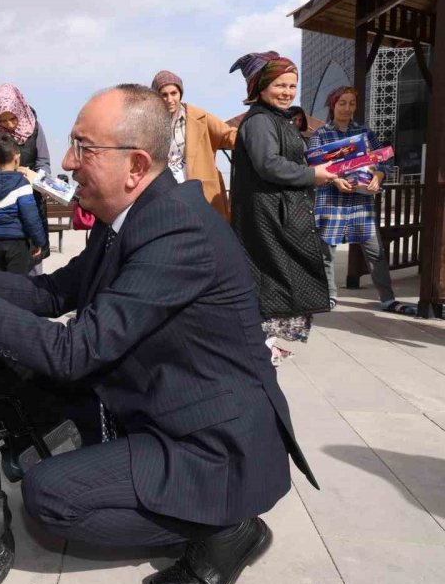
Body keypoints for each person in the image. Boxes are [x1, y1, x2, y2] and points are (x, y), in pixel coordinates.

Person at [0, 84, 318, 584]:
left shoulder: (177, 231)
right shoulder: (125, 218)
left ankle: (225, 528)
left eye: (84, 147)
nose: (68, 161)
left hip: (207, 443)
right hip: (155, 402)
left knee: (49, 499)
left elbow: (74, 350)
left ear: (135, 165)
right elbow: (54, 290)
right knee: (15, 373)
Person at [228, 51, 338, 366]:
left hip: (280, 213)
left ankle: (266, 347)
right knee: (271, 281)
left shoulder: (278, 118)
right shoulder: (261, 121)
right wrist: (311, 175)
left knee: (278, 280)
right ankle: (259, 351)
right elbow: (269, 165)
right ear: (260, 87)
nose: (287, 92)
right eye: (280, 85)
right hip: (267, 217)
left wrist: (325, 171)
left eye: (292, 85)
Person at [309, 86, 415, 315]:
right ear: (333, 105)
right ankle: (329, 296)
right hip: (331, 200)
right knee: (327, 253)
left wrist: (378, 175)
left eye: (352, 103)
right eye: (342, 103)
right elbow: (315, 168)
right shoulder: (321, 134)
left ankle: (387, 299)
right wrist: (335, 180)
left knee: (375, 252)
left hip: (361, 203)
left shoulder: (366, 133)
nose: (347, 108)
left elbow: (384, 160)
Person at [0, 84, 52, 273]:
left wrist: (36, 179)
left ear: (20, 109)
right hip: (1, 215)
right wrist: (4, 182)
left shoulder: (35, 128)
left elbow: (43, 162)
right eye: (3, 120)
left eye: (12, 118)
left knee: (34, 263)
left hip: (31, 200)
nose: (8, 125)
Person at [151, 70, 237, 219]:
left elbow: (229, 136)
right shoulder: (150, 123)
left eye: (173, 93)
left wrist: (257, 131)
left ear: (180, 94)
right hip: (166, 192)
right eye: (164, 95)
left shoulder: (199, 117)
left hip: (199, 191)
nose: (169, 99)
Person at [0, 133, 46, 274]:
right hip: (18, 245)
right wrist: (39, 241)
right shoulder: (22, 183)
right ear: (17, 157)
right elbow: (31, 217)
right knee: (18, 286)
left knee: (0, 286)